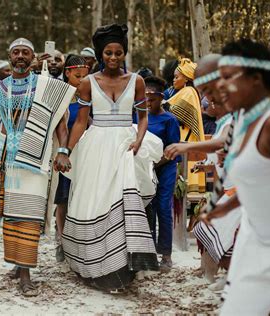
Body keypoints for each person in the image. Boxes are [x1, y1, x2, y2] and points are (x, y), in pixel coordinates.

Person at [59, 24, 162, 293]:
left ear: (124, 53)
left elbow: (143, 118)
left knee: (125, 201)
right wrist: (65, 151)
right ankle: (95, 266)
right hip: (97, 147)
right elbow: (81, 122)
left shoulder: (137, 81)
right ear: (100, 54)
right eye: (108, 53)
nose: (113, 57)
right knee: (94, 201)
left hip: (125, 147)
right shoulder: (87, 83)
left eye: (118, 52)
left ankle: (125, 268)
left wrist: (139, 139)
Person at [202, 39, 270, 315]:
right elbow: (264, 184)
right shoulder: (247, 124)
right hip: (256, 247)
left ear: (256, 79)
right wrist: (223, 210)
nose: (219, 86)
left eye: (228, 77)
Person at [0, 38, 74, 296]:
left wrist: (62, 151)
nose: (20, 56)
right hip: (8, 160)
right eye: (16, 52)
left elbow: (61, 125)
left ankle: (25, 274)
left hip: (36, 161)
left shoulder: (47, 87)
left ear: (33, 57)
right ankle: (17, 263)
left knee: (30, 218)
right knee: (11, 215)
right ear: (9, 56)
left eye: (25, 52)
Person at [164, 54, 241, 287]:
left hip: (240, 188)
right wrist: (205, 163)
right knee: (209, 228)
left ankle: (228, 277)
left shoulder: (236, 117)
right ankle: (218, 275)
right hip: (226, 186)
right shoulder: (224, 119)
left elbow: (221, 144)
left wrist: (185, 146)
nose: (209, 100)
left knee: (220, 230)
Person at [53, 54, 90, 262]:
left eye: (85, 76)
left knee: (81, 198)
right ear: (67, 73)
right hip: (63, 151)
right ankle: (62, 240)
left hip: (85, 152)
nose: (81, 80)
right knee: (63, 197)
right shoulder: (61, 95)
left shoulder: (89, 94)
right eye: (77, 76)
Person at [145, 76, 180, 271]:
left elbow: (173, 149)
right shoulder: (139, 115)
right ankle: (148, 251)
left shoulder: (169, 120)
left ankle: (165, 254)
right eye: (145, 97)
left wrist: (156, 163)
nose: (148, 101)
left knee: (163, 208)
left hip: (164, 168)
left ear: (161, 98)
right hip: (145, 169)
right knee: (146, 207)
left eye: (152, 97)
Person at [168, 57, 206, 193]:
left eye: (176, 77)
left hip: (186, 138)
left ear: (185, 78)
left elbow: (175, 114)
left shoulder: (188, 92)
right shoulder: (185, 92)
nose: (173, 80)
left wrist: (162, 107)